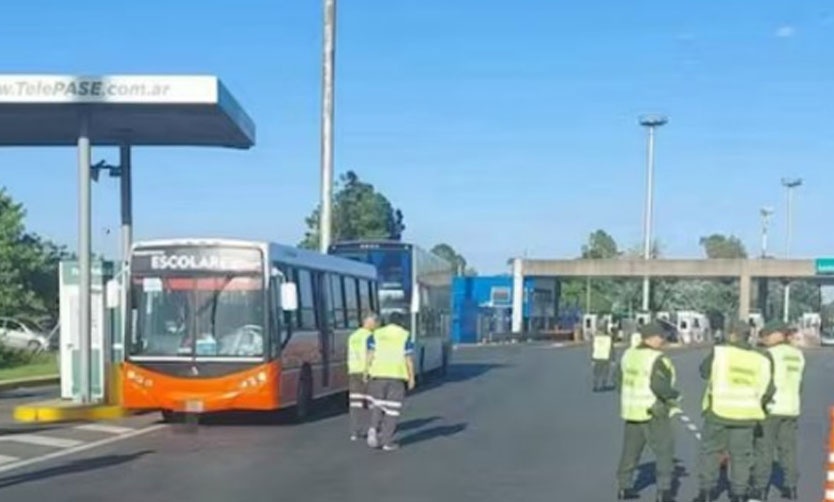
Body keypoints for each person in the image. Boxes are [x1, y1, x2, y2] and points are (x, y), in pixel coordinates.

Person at [692, 320, 775, 502]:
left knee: (711, 453)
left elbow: (704, 372)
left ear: (731, 334)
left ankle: (706, 492)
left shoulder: (720, 353)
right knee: (741, 457)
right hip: (746, 417)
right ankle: (739, 494)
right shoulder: (761, 358)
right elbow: (769, 390)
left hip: (718, 413)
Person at [616, 322, 680, 502]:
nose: (663, 341)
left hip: (632, 411)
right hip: (653, 411)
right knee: (664, 450)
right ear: (651, 338)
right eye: (660, 337)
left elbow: (619, 381)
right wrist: (674, 395)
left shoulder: (629, 355)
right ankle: (664, 491)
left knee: (630, 452)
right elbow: (660, 386)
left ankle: (624, 486)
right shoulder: (657, 359)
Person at [750, 322, 805, 500]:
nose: (764, 339)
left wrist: (758, 404)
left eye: (767, 335)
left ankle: (760, 488)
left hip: (771, 408)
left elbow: (765, 383)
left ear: (777, 334)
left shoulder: (769, 354)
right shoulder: (798, 355)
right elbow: (800, 384)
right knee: (788, 449)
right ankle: (790, 487)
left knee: (764, 449)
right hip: (791, 408)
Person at [366, 311, 416, 451]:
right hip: (396, 375)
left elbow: (370, 354)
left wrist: (366, 371)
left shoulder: (377, 334)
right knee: (392, 410)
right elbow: (408, 359)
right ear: (401, 322)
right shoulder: (404, 335)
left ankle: (373, 428)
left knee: (378, 404)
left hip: (377, 374)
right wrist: (411, 377)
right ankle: (387, 442)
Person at [347, 313, 378, 441]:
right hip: (367, 371)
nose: (377, 325)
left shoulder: (353, 336)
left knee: (355, 403)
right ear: (369, 323)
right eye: (376, 323)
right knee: (373, 402)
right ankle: (374, 428)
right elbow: (372, 354)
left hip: (353, 371)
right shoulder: (371, 336)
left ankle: (355, 432)